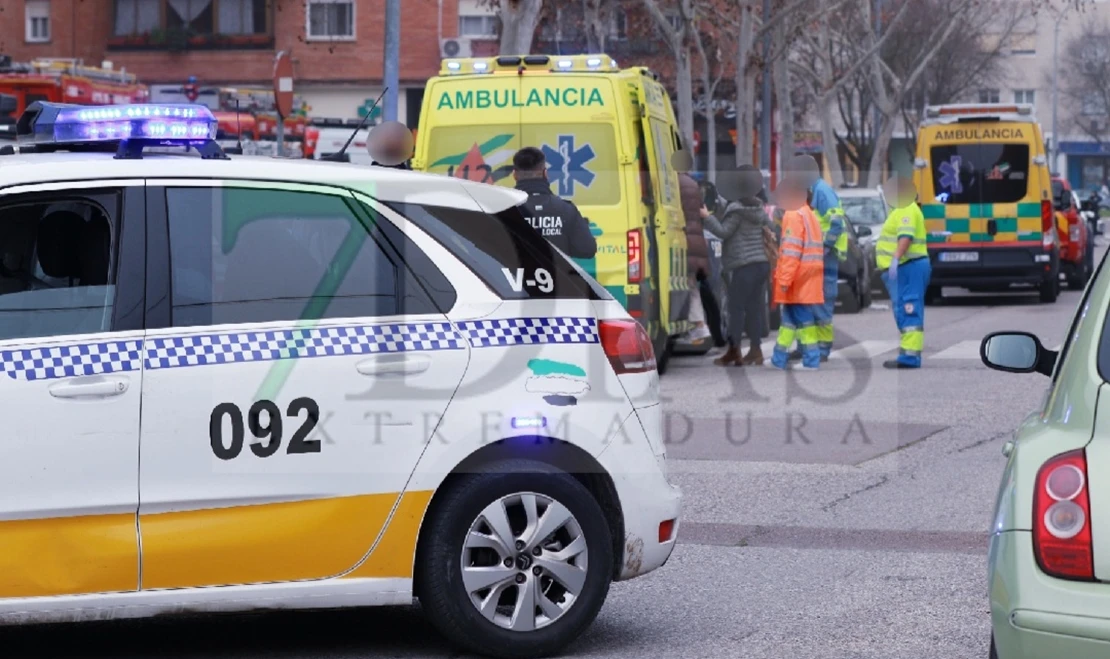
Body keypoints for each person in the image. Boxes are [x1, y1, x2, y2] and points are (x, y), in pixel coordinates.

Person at [701, 164, 775, 366]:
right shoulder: (758, 209)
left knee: (735, 309)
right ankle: (756, 350)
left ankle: (734, 352)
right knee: (754, 308)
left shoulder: (736, 211)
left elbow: (724, 232)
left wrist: (707, 218)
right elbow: (771, 229)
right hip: (761, 264)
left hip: (744, 266)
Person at [787, 155, 846, 361]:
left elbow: (836, 223)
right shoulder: (812, 191)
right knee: (808, 301)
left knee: (821, 302)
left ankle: (821, 349)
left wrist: (825, 248)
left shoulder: (822, 191)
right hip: (813, 257)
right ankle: (806, 346)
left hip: (823, 258)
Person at [768, 175, 826, 370]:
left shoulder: (793, 215)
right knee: (789, 321)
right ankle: (779, 358)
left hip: (797, 278)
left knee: (803, 320)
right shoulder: (808, 213)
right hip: (806, 276)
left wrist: (784, 279)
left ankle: (811, 360)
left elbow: (792, 251)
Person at [877, 174, 932, 369]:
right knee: (904, 308)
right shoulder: (901, 209)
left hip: (908, 266)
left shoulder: (906, 208)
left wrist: (895, 259)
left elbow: (905, 237)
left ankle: (910, 356)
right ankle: (908, 353)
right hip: (906, 267)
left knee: (909, 308)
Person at [512, 147, 597, 258]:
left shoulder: (503, 210)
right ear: (545, 174)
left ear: (514, 175)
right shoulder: (566, 209)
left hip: (516, 275)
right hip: (556, 275)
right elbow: (587, 250)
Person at [675, 151, 713, 343]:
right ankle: (697, 325)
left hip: (684, 240)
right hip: (695, 240)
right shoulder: (692, 184)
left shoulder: (674, 184)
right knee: (691, 284)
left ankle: (697, 325)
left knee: (686, 285)